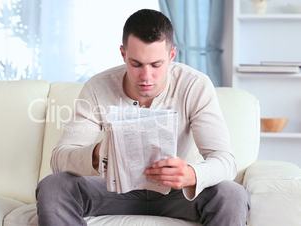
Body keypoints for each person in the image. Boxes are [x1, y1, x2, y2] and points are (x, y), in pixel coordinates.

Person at [36, 9, 249, 226]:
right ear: (123, 54)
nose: (146, 77)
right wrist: (97, 153)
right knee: (54, 186)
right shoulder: (97, 88)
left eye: (156, 65)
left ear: (172, 55)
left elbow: (225, 161)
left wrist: (191, 174)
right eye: (136, 64)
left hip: (177, 193)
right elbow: (59, 159)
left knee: (232, 194)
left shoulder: (195, 85)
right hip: (113, 188)